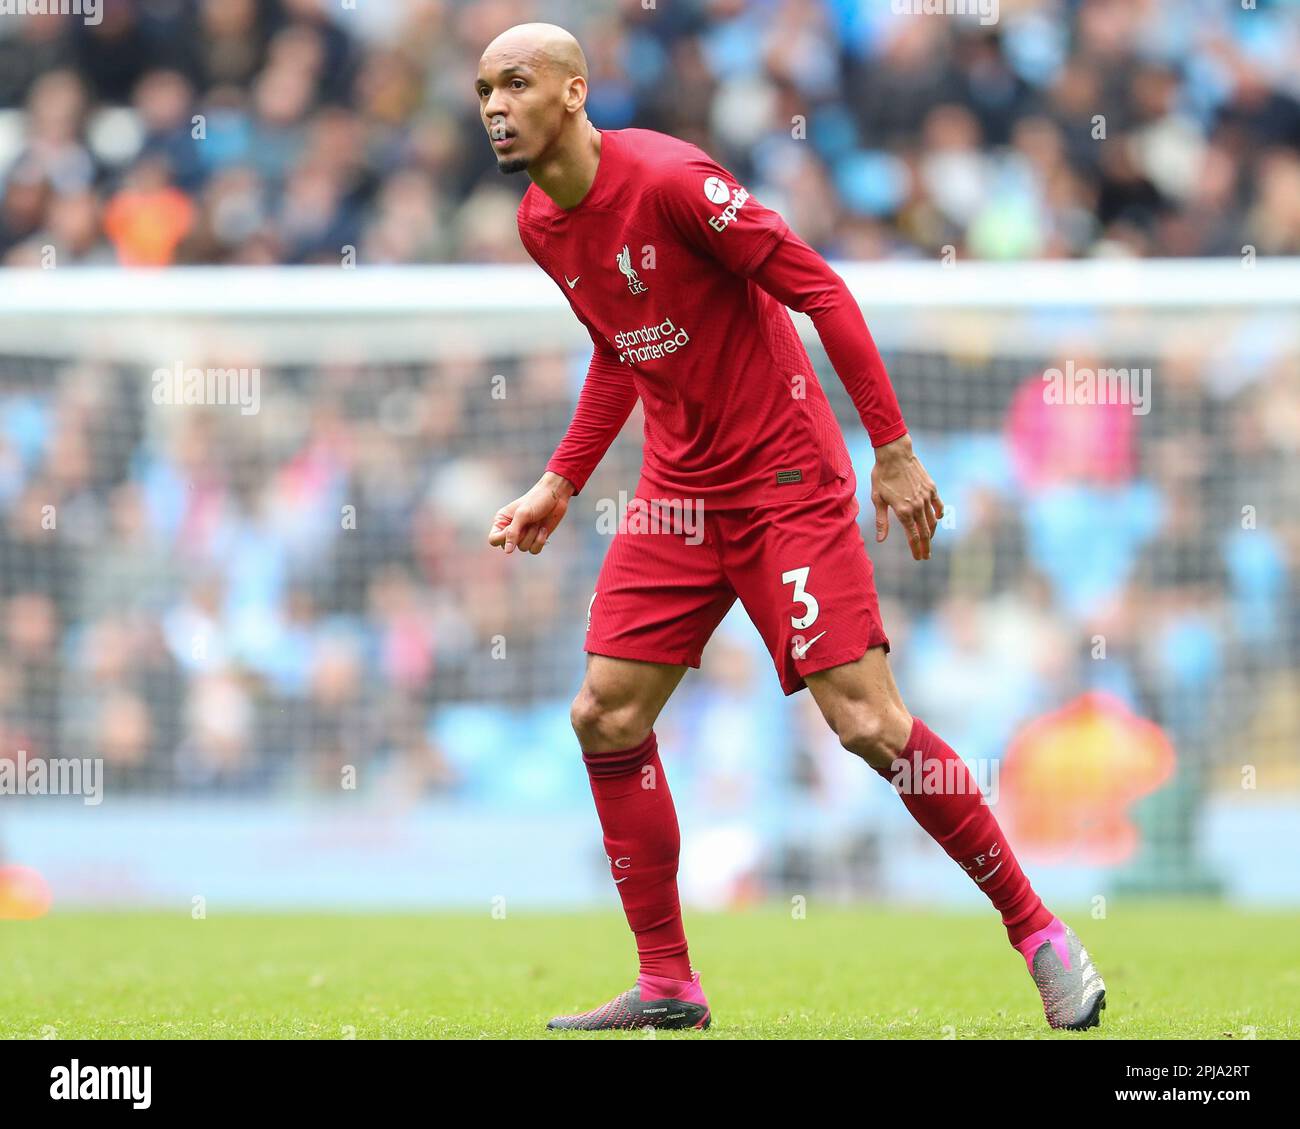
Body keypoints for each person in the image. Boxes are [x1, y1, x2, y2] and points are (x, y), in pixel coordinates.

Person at [480, 22, 1104, 1032]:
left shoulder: (676, 181)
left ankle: (1039, 932)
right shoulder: (540, 224)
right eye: (482, 91)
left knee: (865, 723)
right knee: (604, 713)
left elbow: (817, 287)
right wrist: (561, 479)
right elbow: (617, 347)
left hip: (782, 480)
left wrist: (891, 449)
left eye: (516, 83)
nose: (496, 107)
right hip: (680, 494)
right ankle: (669, 984)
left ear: (575, 91)